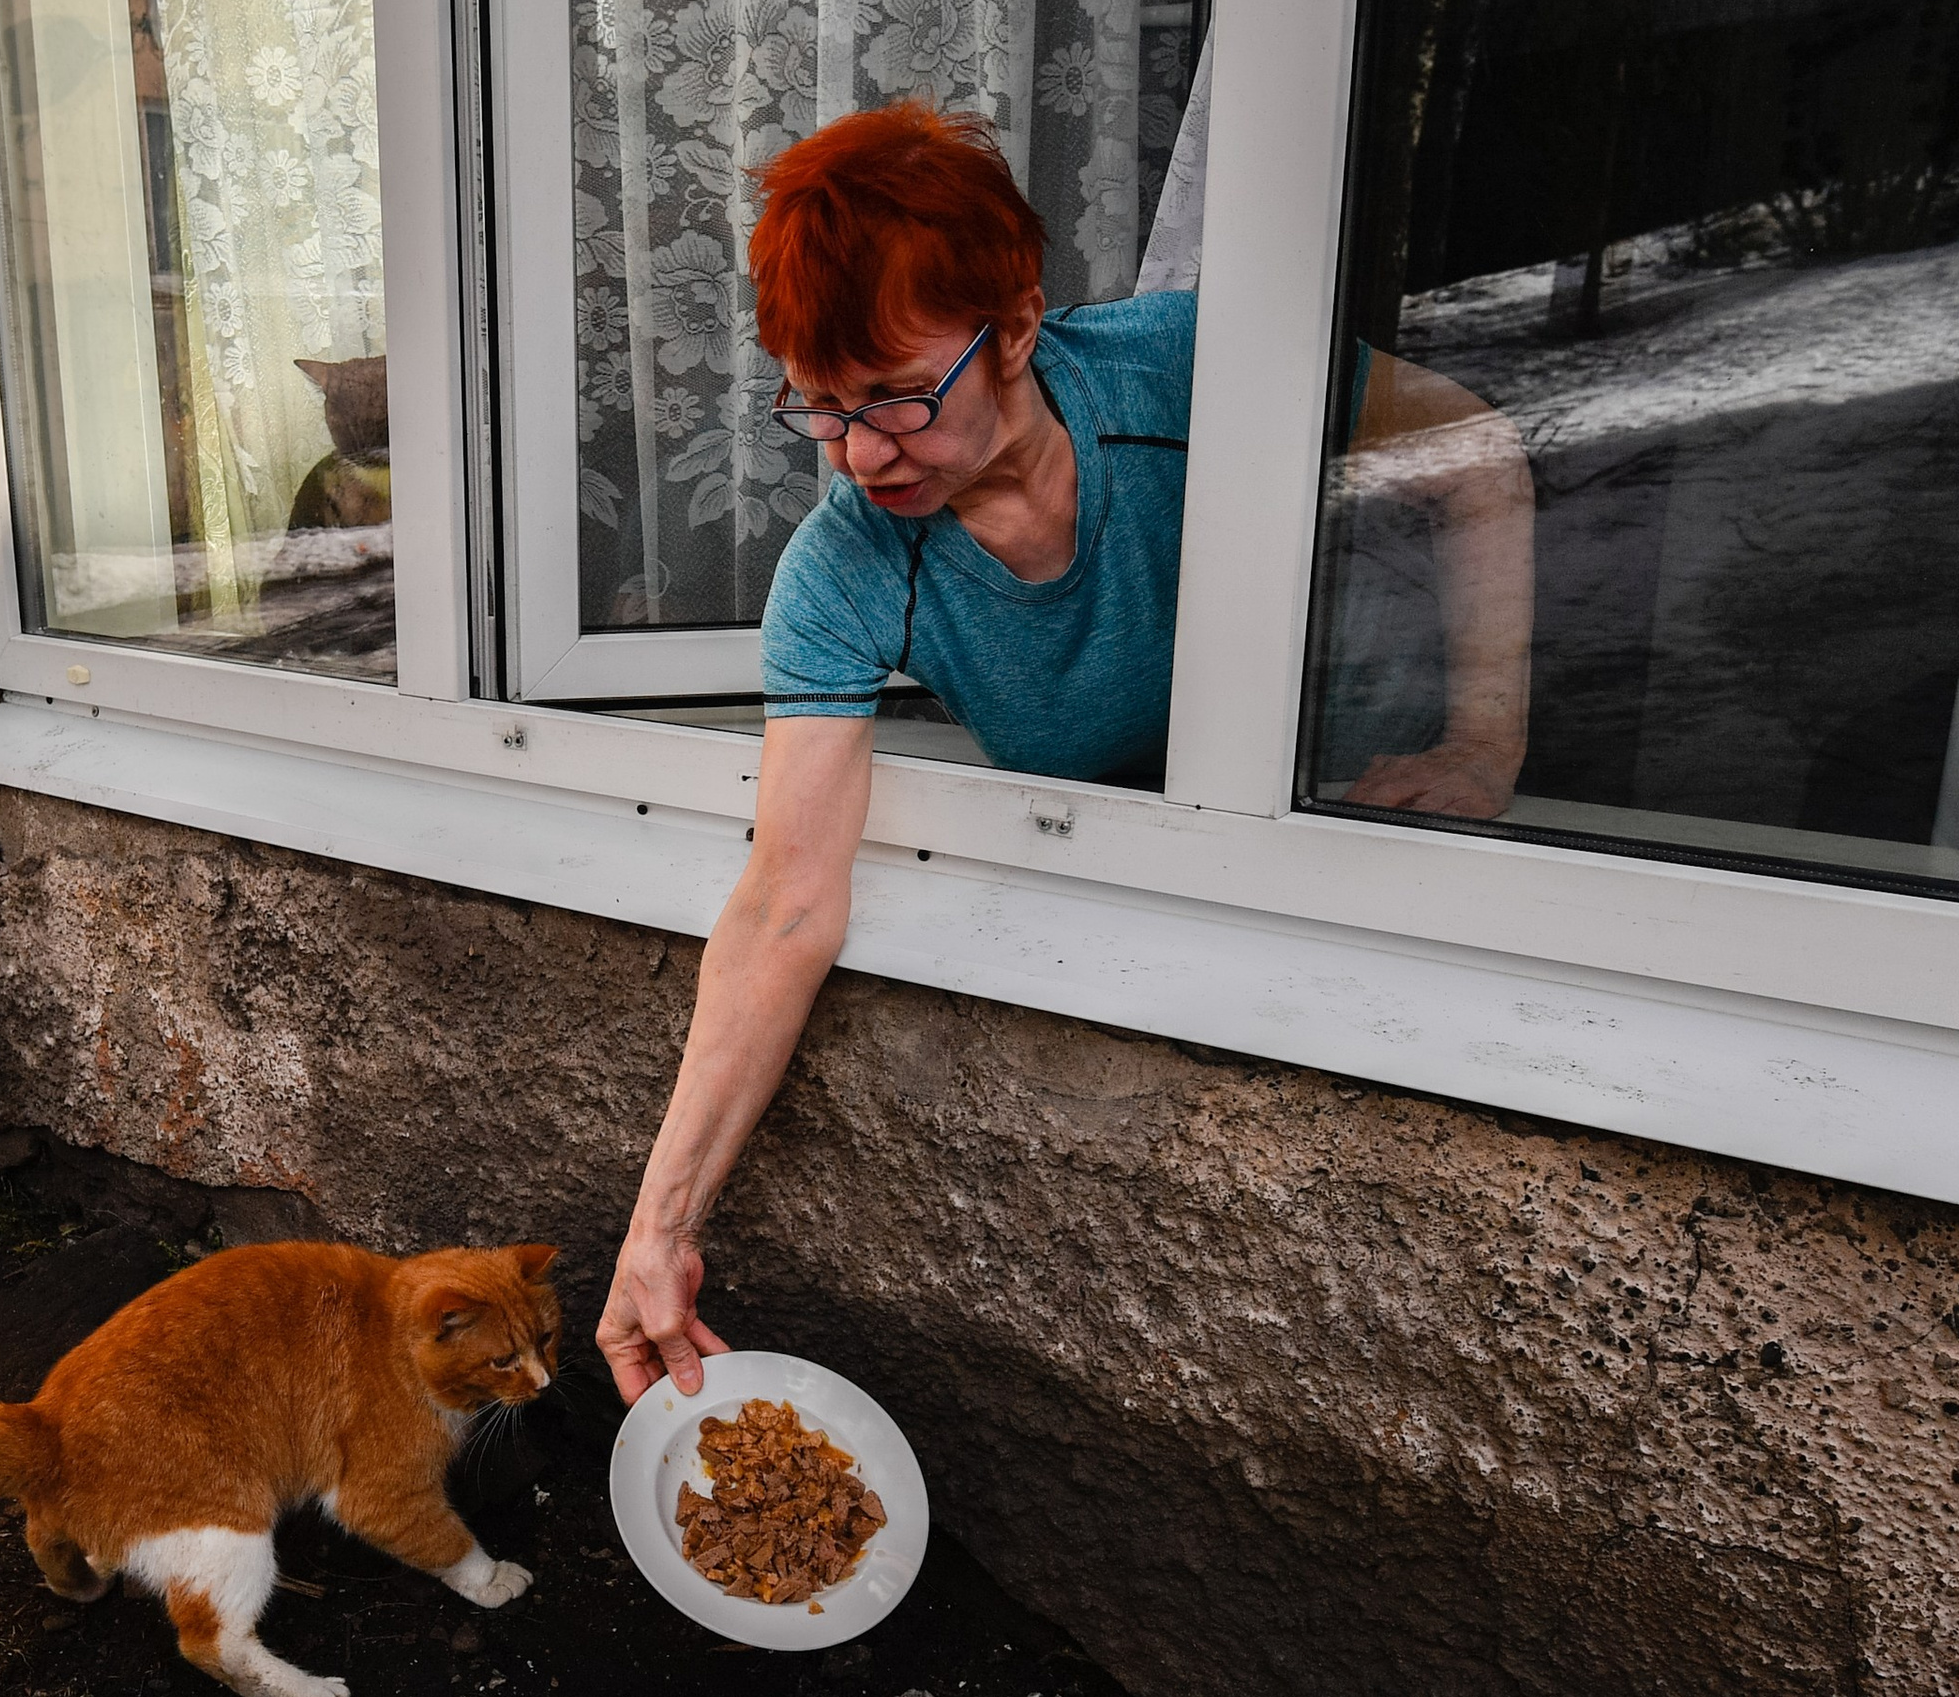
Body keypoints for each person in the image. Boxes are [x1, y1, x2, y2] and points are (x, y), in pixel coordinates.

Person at [596, 102, 1534, 1404]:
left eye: (900, 398)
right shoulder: (849, 568)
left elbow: (1477, 455)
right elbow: (785, 900)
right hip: (1189, 910)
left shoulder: (1185, 368)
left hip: (1380, 847)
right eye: (821, 410)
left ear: (1021, 325)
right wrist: (659, 1230)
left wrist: (1482, 743)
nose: (863, 455)